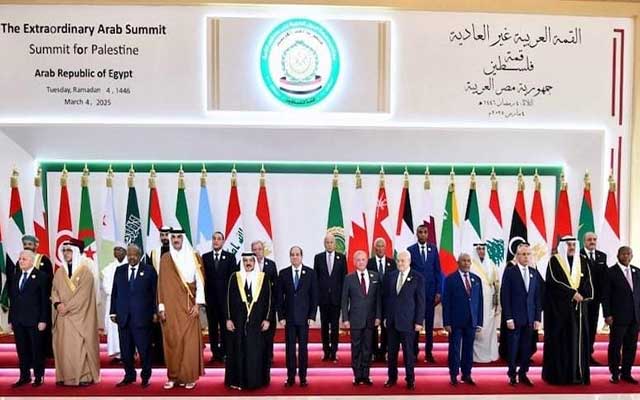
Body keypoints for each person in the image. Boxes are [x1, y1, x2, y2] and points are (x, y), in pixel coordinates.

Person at [158, 229, 205, 390]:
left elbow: (200, 283)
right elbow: (161, 285)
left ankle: (189, 377)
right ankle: (173, 377)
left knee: (189, 343)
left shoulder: (194, 256)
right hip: (170, 309)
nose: (176, 240)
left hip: (189, 308)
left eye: (179, 237)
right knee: (172, 343)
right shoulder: (165, 259)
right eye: (173, 237)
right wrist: (161, 307)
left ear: (184, 239)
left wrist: (198, 305)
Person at [542, 236, 593, 385]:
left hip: (579, 311)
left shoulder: (582, 261)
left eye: (573, 244)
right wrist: (572, 293)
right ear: (563, 246)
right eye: (569, 245)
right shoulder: (554, 261)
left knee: (578, 342)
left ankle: (578, 375)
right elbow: (553, 282)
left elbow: (588, 282)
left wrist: (582, 295)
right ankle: (561, 376)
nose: (571, 247)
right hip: (559, 311)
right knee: (561, 342)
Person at [51, 239, 100, 386]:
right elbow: (54, 291)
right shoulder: (59, 272)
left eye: (69, 250)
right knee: (63, 348)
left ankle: (84, 377)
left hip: (80, 317)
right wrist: (58, 304)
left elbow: (83, 296)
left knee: (79, 347)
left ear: (76, 252)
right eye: (64, 251)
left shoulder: (85, 272)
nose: (66, 253)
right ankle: (64, 377)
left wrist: (67, 308)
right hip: (63, 317)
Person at [110, 244, 157, 388]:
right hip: (123, 318)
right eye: (129, 254)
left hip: (142, 318)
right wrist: (113, 311)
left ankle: (145, 377)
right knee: (126, 351)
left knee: (144, 350)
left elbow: (155, 293)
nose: (131, 257)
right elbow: (114, 293)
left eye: (134, 255)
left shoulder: (149, 271)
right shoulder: (120, 270)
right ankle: (129, 376)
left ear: (140, 255)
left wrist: (155, 312)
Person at [224, 252, 272, 390]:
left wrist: (267, 319)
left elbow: (269, 300)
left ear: (255, 262)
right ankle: (238, 381)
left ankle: (255, 381)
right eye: (245, 261)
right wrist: (228, 319)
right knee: (239, 350)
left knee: (255, 352)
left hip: (257, 323)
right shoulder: (235, 277)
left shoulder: (263, 277)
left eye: (251, 260)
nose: (248, 263)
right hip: (238, 322)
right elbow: (227, 299)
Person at [383, 250, 425, 390]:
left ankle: (410, 379)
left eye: (402, 260)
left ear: (409, 261)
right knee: (392, 353)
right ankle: (392, 378)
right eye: (398, 260)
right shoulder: (391, 276)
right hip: (392, 322)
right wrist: (385, 317)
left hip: (409, 322)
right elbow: (387, 299)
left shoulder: (417, 277)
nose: (400, 263)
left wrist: (419, 321)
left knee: (408, 353)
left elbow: (421, 301)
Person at [500, 243, 542, 386]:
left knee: (526, 348)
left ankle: (523, 373)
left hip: (530, 319)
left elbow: (537, 297)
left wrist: (537, 318)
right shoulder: (510, 272)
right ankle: (512, 374)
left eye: (528, 254)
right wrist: (508, 317)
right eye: (523, 254)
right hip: (515, 318)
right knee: (513, 348)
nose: (526, 257)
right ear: (517, 256)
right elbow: (505, 296)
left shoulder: (533, 272)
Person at [277, 246, 318, 387]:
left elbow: (314, 296)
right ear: (290, 257)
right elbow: (279, 297)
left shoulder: (310, 273)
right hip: (289, 319)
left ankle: (303, 377)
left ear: (301, 256)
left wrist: (312, 315)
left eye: (297, 254)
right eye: (292, 255)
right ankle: (290, 377)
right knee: (290, 349)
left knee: (303, 349)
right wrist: (281, 316)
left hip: (304, 318)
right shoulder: (283, 273)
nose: (295, 257)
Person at [8, 250, 49, 388]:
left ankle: (38, 376)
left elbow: (44, 300)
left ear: (31, 261)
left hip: (35, 321)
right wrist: (10, 319)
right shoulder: (16, 276)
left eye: (24, 259)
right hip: (18, 320)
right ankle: (24, 376)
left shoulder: (41, 276)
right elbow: (13, 299)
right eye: (20, 259)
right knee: (22, 350)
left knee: (36, 349)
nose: (20, 261)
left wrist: (43, 320)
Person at [341, 250, 382, 385]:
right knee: (356, 347)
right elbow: (344, 300)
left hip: (371, 319)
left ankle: (366, 374)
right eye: (358, 260)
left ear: (367, 261)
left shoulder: (375, 276)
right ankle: (357, 375)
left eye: (363, 259)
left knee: (368, 347)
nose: (361, 262)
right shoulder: (349, 278)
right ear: (354, 262)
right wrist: (345, 319)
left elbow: (378, 299)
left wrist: (378, 316)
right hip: (355, 319)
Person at [443, 253, 483, 386]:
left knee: (468, 349)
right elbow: (446, 302)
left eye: (468, 261)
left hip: (471, 321)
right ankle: (454, 375)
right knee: (454, 349)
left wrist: (479, 322)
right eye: (464, 261)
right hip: (455, 322)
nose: (466, 263)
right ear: (458, 262)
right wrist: (447, 322)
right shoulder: (450, 279)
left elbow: (479, 302)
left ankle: (467, 374)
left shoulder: (476, 279)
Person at [603, 246, 640, 384]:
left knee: (631, 346)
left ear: (632, 256)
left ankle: (626, 373)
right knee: (615, 346)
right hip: (617, 317)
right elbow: (605, 296)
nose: (626, 256)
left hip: (635, 317)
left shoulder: (637, 271)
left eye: (628, 254)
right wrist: (607, 314)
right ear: (618, 255)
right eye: (623, 254)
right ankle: (614, 373)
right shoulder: (610, 272)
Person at [407, 224, 441, 363]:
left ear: (428, 234)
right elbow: (408, 272)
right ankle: (414, 352)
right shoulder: (410, 250)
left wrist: (438, 291)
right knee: (415, 324)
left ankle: (428, 352)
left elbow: (437, 271)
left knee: (429, 325)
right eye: (420, 232)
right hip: (415, 295)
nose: (423, 234)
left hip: (430, 294)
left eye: (425, 232)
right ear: (417, 234)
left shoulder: (433, 249)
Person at [202, 231, 238, 363]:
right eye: (214, 238)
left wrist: (231, 300)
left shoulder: (230, 257)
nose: (216, 241)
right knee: (212, 328)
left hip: (225, 301)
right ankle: (215, 353)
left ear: (223, 241)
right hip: (210, 301)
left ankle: (224, 352)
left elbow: (233, 280)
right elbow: (203, 279)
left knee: (224, 327)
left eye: (219, 239)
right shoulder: (205, 257)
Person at [314, 233, 347, 362]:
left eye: (331, 242)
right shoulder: (318, 258)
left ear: (335, 244)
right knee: (324, 326)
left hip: (336, 299)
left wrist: (343, 299)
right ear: (324, 244)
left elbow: (344, 279)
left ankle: (334, 352)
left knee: (334, 327)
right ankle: (326, 351)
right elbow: (315, 280)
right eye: (327, 242)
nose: (329, 244)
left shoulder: (341, 258)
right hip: (323, 299)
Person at [20, 235, 54, 359]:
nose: (27, 246)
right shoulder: (21, 261)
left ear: (36, 245)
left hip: (41, 302)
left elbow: (50, 281)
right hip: (25, 305)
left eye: (30, 244)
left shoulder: (43, 260)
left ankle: (45, 354)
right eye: (25, 244)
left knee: (42, 332)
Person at [580, 232, 608, 365]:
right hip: (582, 299)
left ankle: (589, 354)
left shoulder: (602, 256)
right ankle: (580, 355)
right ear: (584, 241)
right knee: (582, 328)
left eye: (594, 239)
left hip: (596, 299)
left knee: (592, 327)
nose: (592, 241)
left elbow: (605, 277)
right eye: (589, 239)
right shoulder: (578, 255)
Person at [367, 237, 396, 361]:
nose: (380, 248)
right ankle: (374, 352)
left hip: (388, 301)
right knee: (373, 326)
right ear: (374, 248)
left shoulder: (392, 263)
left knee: (386, 327)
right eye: (378, 246)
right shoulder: (369, 263)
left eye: (382, 246)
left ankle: (384, 351)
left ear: (385, 248)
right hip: (372, 301)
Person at [470, 242, 500, 363]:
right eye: (479, 249)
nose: (481, 251)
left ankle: (490, 354)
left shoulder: (491, 264)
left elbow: (496, 283)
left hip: (489, 302)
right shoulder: (470, 264)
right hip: (476, 302)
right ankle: (474, 356)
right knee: (478, 329)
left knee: (489, 328)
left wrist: (497, 302)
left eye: (483, 248)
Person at [251, 240, 278, 367]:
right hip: (253, 307)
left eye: (259, 249)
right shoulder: (246, 264)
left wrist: (274, 306)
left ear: (263, 250)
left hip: (268, 306)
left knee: (268, 334)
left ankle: (269, 356)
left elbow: (275, 287)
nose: (257, 252)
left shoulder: (271, 265)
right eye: (254, 250)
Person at [148, 225, 171, 364]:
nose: (164, 237)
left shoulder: (177, 252)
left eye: (166, 234)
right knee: (157, 325)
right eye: (162, 235)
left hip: (172, 294)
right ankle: (159, 356)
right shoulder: (154, 252)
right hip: (157, 292)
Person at [101, 243, 127, 362]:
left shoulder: (130, 266)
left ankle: (127, 353)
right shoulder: (108, 268)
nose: (117, 252)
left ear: (125, 252)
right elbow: (107, 288)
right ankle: (117, 354)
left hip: (127, 303)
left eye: (120, 249)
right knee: (113, 329)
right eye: (115, 250)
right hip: (113, 302)